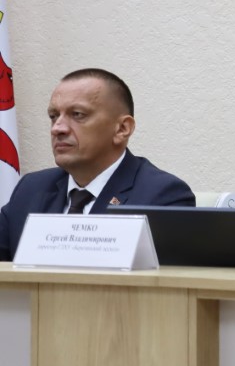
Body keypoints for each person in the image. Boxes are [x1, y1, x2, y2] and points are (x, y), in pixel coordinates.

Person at [0, 68, 195, 260]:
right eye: (54, 116)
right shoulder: (31, 189)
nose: (57, 128)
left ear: (122, 129)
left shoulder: (162, 195)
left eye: (77, 114)